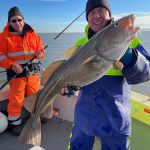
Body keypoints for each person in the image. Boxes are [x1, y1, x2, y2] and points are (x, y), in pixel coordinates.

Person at [61, 0, 150, 149]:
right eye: (91, 13)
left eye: (101, 10)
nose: (96, 16)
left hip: (116, 118)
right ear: (87, 18)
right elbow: (76, 77)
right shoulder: (80, 44)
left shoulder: (130, 41)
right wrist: (71, 86)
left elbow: (146, 73)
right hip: (84, 117)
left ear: (109, 14)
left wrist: (129, 57)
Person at [0, 6, 45, 136]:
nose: (17, 23)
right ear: (9, 22)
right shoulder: (3, 37)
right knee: (16, 99)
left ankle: (36, 116)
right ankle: (15, 124)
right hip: (16, 74)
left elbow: (41, 50)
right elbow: (0, 55)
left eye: (19, 19)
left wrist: (40, 54)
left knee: (35, 95)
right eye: (13, 21)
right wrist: (12, 65)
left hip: (32, 73)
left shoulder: (34, 35)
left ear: (23, 20)